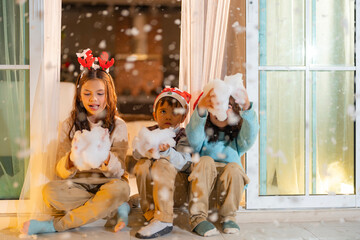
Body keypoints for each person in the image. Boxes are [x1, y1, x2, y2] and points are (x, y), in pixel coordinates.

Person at [21, 49, 130, 235]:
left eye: (100, 93)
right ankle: (114, 208)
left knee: (120, 190)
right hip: (78, 186)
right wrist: (71, 159)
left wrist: (103, 156)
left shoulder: (118, 126)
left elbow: (119, 170)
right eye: (87, 93)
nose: (93, 99)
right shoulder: (69, 125)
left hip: (108, 184)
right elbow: (60, 171)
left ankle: (55, 226)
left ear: (109, 95)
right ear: (79, 95)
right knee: (49, 192)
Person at [186, 88, 259, 237]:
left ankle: (228, 216)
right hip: (204, 188)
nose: (222, 110)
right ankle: (198, 218)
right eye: (216, 107)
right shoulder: (202, 138)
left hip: (228, 191)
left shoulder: (237, 140)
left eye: (228, 106)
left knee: (234, 168)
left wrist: (246, 108)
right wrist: (201, 108)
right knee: (205, 160)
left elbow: (250, 136)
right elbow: (193, 135)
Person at [133, 88, 192, 239]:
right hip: (154, 187)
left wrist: (166, 153)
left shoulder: (183, 135)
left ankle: (164, 218)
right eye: (163, 111)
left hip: (175, 188)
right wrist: (145, 148)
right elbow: (135, 154)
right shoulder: (150, 131)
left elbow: (186, 163)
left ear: (183, 116)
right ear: (155, 114)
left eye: (175, 113)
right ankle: (150, 212)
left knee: (162, 164)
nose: (168, 117)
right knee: (142, 164)